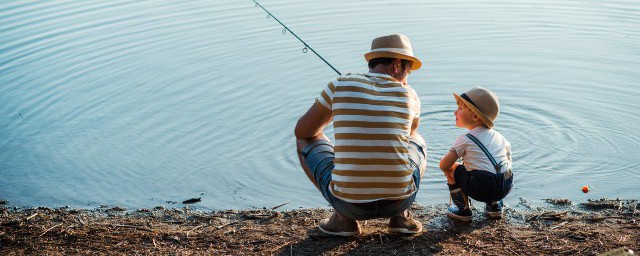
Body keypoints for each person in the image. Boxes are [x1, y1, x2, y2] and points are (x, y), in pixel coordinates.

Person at [294, 34, 427, 236]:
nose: (407, 79)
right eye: (408, 71)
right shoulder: (410, 95)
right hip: (399, 201)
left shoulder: (339, 84)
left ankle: (343, 219)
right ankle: (401, 217)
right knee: (418, 141)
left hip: (349, 204)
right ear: (397, 65)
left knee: (305, 140)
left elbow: (302, 132)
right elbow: (410, 134)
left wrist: (337, 112)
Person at [439, 87, 513, 221]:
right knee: (494, 167)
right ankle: (494, 206)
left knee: (452, 168)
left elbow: (444, 165)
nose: (455, 112)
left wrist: (459, 168)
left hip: (482, 187)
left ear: (474, 116)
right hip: (506, 184)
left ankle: (463, 210)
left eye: (460, 109)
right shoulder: (500, 137)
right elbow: (508, 160)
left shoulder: (464, 140)